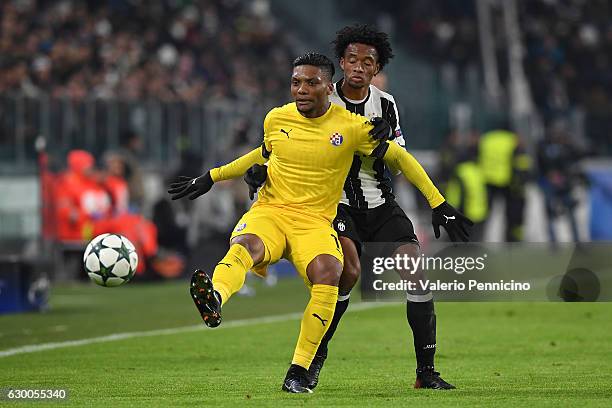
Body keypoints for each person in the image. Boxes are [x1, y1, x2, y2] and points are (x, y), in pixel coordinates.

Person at [169, 52, 471, 393]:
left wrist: (438, 201)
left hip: (315, 222)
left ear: (329, 88)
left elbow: (400, 156)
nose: (301, 89)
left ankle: (299, 372)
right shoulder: (275, 118)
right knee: (246, 246)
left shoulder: (351, 127)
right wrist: (212, 177)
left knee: (332, 272)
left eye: (311, 83)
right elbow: (265, 153)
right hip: (270, 212)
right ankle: (216, 297)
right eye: (296, 82)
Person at [245, 25, 461, 390]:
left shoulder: (386, 105)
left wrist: (432, 199)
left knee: (416, 273)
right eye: (352, 59)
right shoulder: (324, 100)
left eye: (368, 62)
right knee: (347, 271)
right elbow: (288, 146)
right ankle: (313, 361)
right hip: (336, 204)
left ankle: (426, 373)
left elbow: (398, 160)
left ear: (377, 69)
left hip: (380, 202)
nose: (359, 67)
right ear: (341, 63)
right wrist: (262, 170)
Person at [479, 123, 531, 241]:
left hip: (488, 180)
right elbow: (521, 162)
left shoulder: (486, 139)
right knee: (511, 213)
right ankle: (510, 239)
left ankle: (481, 238)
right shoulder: (513, 140)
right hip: (508, 181)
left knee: (485, 213)